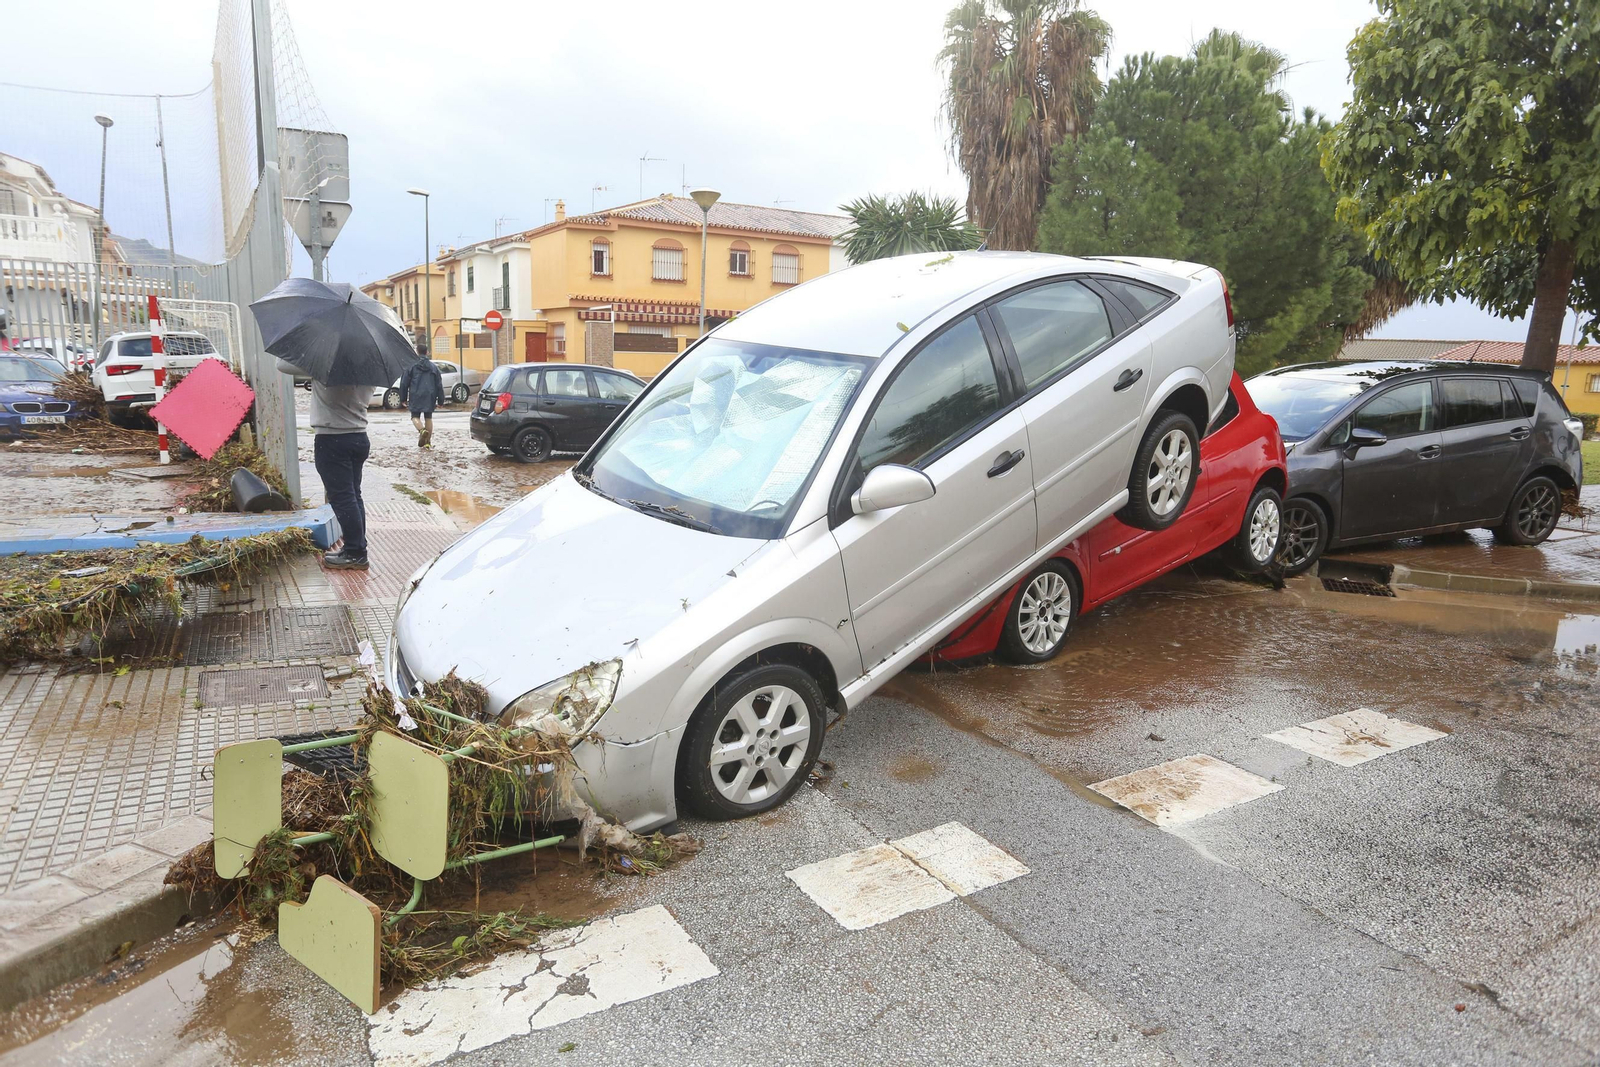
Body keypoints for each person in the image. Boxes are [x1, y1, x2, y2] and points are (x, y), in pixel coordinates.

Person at [278, 357, 371, 570]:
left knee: (343, 497)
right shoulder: (367, 365)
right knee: (353, 495)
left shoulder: (326, 361)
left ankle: (356, 552)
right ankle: (358, 547)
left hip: (332, 438)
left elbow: (281, 364)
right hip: (358, 437)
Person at [399, 343, 445, 448]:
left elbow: (404, 383)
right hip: (430, 394)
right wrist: (441, 400)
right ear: (427, 352)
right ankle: (427, 442)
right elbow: (439, 384)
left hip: (416, 394)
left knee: (415, 416)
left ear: (417, 352)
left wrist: (403, 398)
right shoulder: (434, 367)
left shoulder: (411, 366)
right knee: (428, 417)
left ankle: (422, 430)